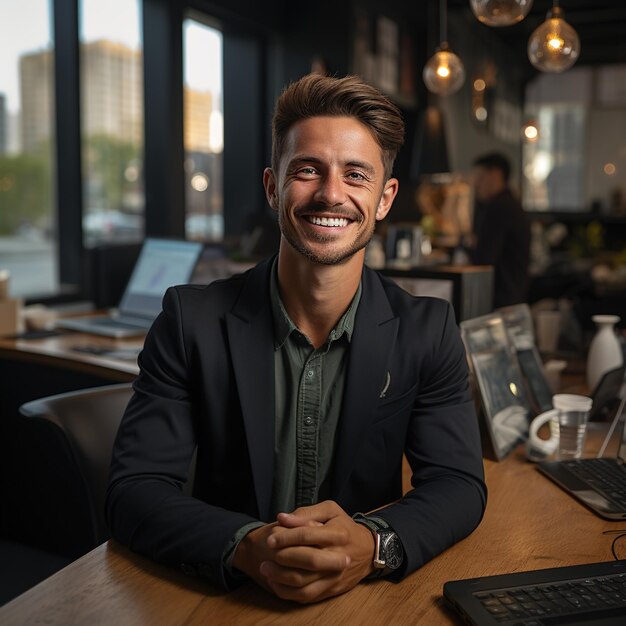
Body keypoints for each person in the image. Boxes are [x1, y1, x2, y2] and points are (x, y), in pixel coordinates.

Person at [106, 74, 487, 604]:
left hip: (361, 604)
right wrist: (245, 545)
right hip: (223, 601)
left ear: (384, 198)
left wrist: (374, 545)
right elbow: (134, 490)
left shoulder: (428, 329)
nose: (331, 193)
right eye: (308, 170)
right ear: (271, 186)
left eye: (357, 175)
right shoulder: (189, 319)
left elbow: (459, 485)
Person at [470, 152, 531, 308]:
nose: (476, 184)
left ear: (495, 174)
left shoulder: (498, 208)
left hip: (499, 300)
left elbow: (484, 259)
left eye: (480, 176)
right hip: (514, 296)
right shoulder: (511, 204)